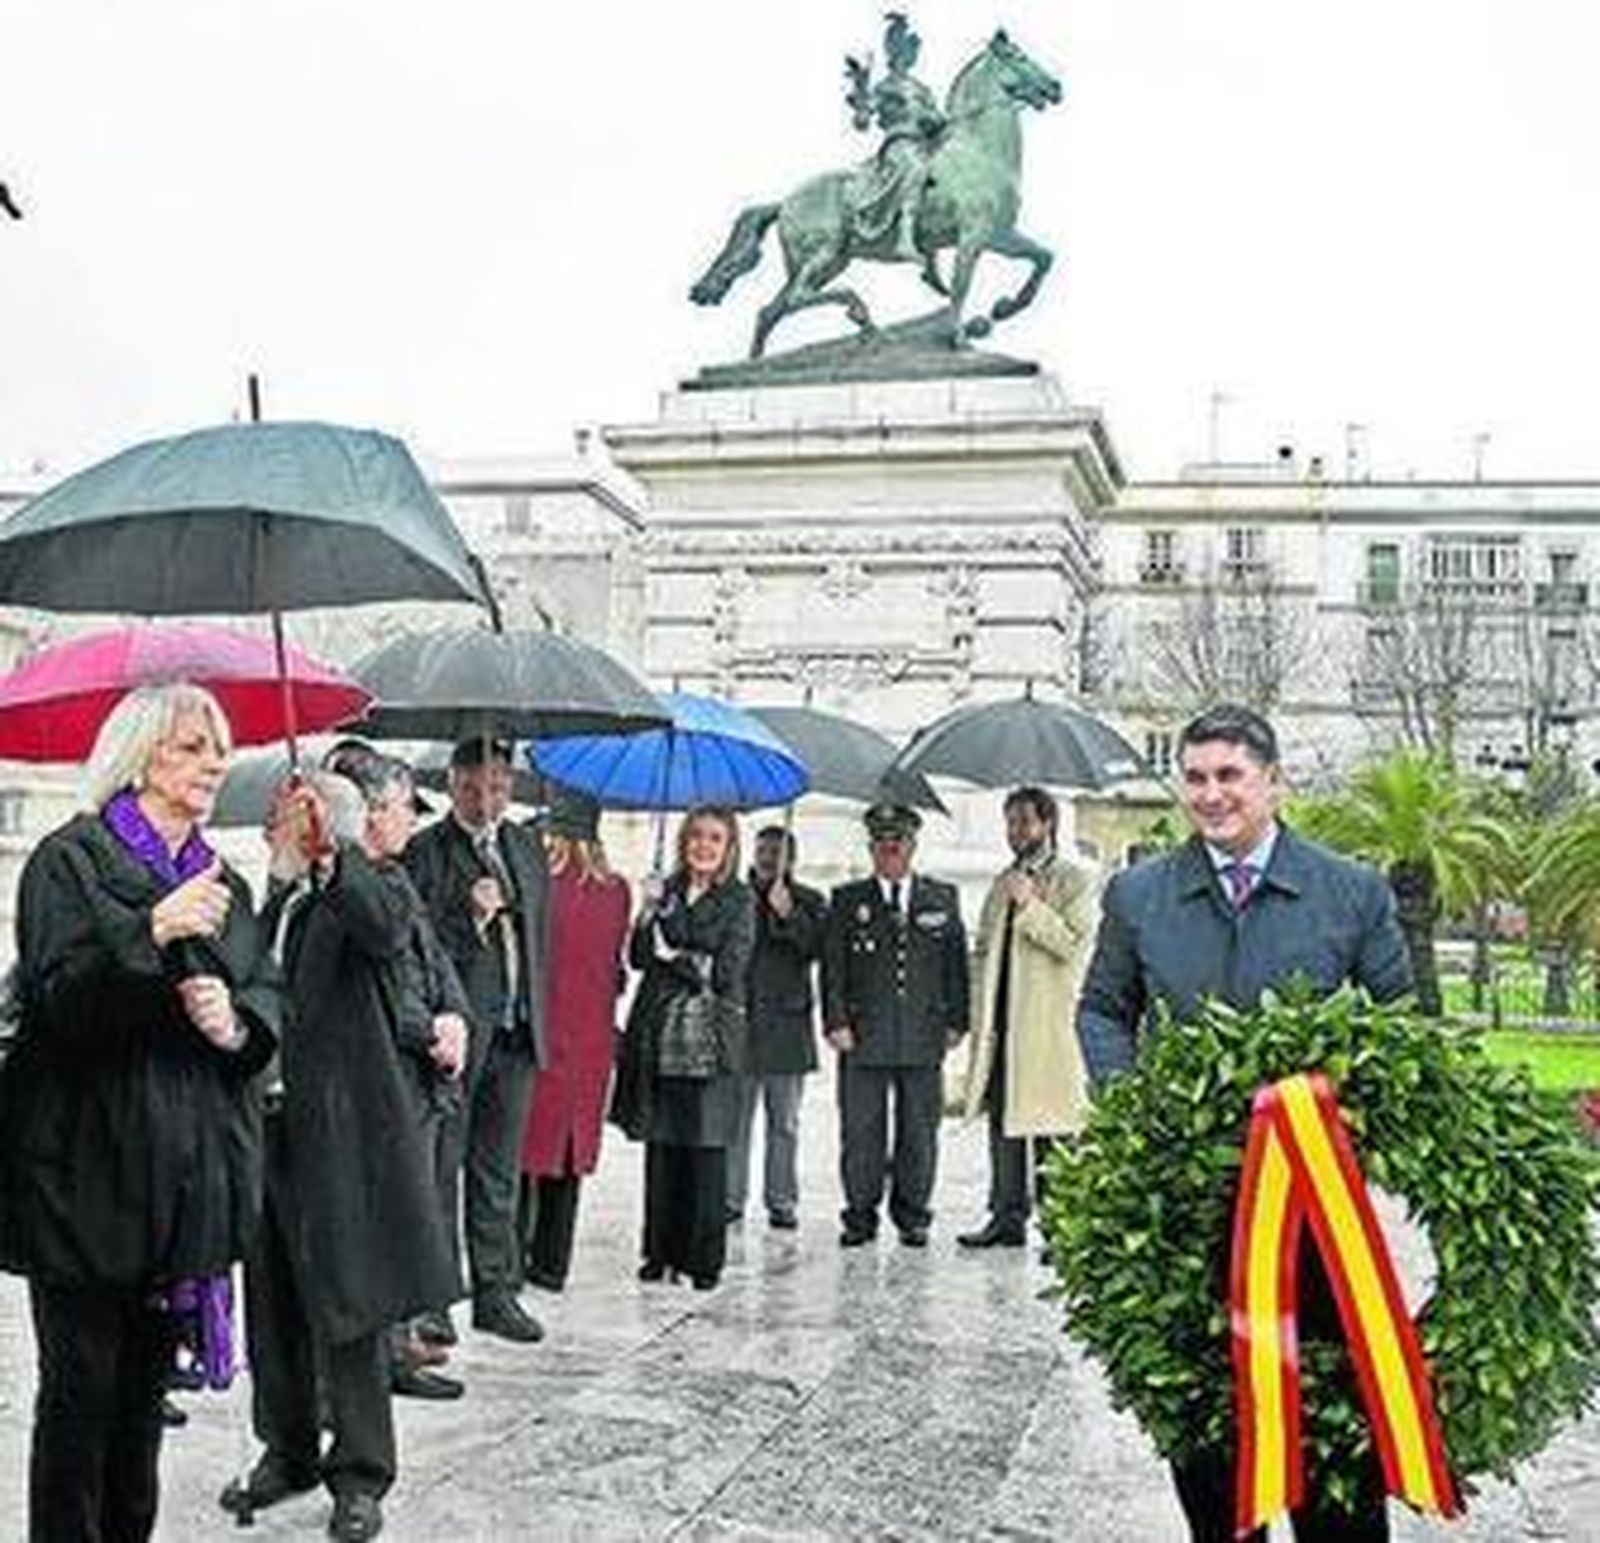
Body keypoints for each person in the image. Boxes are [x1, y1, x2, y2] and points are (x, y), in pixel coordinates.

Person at [1075, 703, 1413, 1543]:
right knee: (1211, 1441)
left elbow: (1405, 1024)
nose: (1211, 794)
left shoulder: (1351, 890)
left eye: (1230, 775)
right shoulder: (1139, 893)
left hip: (1315, 1214)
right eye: (1195, 776)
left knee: (1334, 1440)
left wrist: (1349, 1111)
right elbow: (1102, 1010)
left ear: (1272, 780)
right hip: (1190, 1210)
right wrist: (1134, 1107)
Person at [0, 683, 278, 1543]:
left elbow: (264, 991)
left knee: (140, 1412)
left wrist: (234, 1023)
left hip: (186, 1186)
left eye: (217, 747)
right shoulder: (69, 859)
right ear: (141, 755)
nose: (213, 762)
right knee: (81, 1399)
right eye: (193, 746)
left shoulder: (223, 877)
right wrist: (149, 933)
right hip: (83, 1178)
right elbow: (58, 999)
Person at [225, 770, 460, 1542]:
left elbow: (388, 931)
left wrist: (335, 858)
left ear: (328, 825)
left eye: (287, 818)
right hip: (269, 1124)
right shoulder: (278, 898)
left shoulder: (375, 886)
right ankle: (286, 1447)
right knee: (276, 1297)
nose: (272, 829)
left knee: (348, 1304)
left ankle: (360, 1472)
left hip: (338, 1131)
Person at [327, 746, 472, 1401]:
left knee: (410, 1217)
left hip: (423, 1077)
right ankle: (370, 1365)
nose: (411, 821)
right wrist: (429, 1030)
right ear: (369, 812)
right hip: (384, 1077)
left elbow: (434, 965)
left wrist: (458, 1019)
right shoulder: (345, 890)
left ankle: (395, 1348)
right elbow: (387, 988)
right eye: (400, 807)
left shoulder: (395, 878)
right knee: (379, 1227)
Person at [405, 736, 549, 1344]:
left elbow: (544, 935)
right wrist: (472, 919)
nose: (485, 798)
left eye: (496, 786)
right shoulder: (426, 850)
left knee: (499, 1170)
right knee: (443, 1165)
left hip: (518, 1029)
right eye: (471, 787)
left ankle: (498, 1291)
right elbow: (415, 942)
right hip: (459, 1032)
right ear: (452, 785)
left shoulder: (523, 845)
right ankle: (435, 1298)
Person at [615, 805, 754, 1290]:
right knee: (664, 1143)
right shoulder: (666, 889)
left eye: (715, 838)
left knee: (705, 1145)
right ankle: (658, 1251)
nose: (704, 846)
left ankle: (702, 1260)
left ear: (729, 847)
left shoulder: (739, 899)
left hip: (710, 1037)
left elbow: (729, 969)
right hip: (658, 1031)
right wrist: (646, 911)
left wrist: (672, 956)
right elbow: (636, 958)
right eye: (696, 836)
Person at [822, 802, 969, 1248]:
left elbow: (955, 965)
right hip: (863, 1035)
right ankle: (860, 1215)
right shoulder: (848, 900)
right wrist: (835, 1020)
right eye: (882, 843)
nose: (890, 850)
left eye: (898, 842)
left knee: (919, 1131)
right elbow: (832, 968)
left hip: (923, 1035)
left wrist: (958, 1020)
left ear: (912, 846)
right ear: (871, 848)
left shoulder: (941, 897)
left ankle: (914, 1215)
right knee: (861, 1131)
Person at [957, 787, 1098, 1249]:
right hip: (1001, 1025)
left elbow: (1073, 945)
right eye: (1010, 822)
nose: (1015, 831)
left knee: (1052, 1129)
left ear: (1047, 824)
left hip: (1045, 1028)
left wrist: (1031, 906)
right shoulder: (1002, 881)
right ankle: (1006, 1216)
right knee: (1003, 1125)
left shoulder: (1074, 880)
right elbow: (983, 953)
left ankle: (1060, 1229)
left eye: (1024, 821)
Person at [517, 791, 630, 1292]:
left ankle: (514, 1255)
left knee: (521, 1150)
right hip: (592, 1038)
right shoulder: (618, 889)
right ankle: (552, 1263)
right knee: (568, 1151)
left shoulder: (541, 885)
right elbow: (616, 970)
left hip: (544, 1028)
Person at [726, 825, 826, 1230]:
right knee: (737, 1122)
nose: (769, 858)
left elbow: (818, 949)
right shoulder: (735, 896)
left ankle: (781, 1200)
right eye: (763, 850)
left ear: (792, 859)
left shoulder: (810, 900)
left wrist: (788, 914)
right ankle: (731, 1198)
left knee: (784, 1123)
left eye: (778, 852)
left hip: (787, 1029)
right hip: (742, 1023)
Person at [847, 11, 946, 260]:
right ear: (891, 54)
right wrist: (860, 88)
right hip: (900, 145)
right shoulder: (883, 87)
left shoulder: (922, 89)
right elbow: (862, 122)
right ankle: (904, 238)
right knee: (914, 169)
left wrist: (937, 120)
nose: (906, 57)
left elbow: (936, 118)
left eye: (909, 53)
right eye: (900, 51)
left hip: (928, 145)